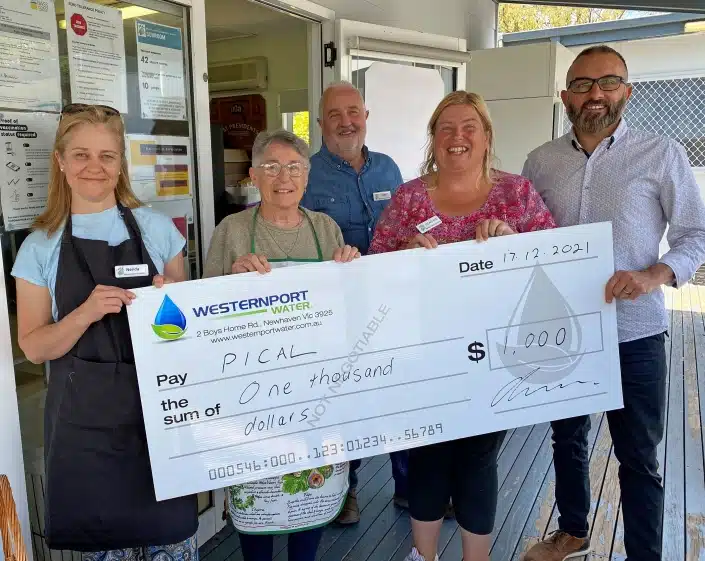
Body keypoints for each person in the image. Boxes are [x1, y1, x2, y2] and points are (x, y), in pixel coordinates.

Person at [521, 45, 705, 561]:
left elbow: (696, 234)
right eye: (582, 84)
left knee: (639, 455)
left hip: (636, 332)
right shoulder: (540, 161)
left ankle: (644, 553)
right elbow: (525, 237)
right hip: (564, 331)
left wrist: (654, 275)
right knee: (567, 440)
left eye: (607, 82)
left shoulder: (662, 154)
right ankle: (573, 532)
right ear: (566, 96)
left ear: (627, 91)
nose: (595, 94)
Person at [368, 90, 557, 561]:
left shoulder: (516, 194)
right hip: (423, 354)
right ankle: (423, 557)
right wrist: (403, 256)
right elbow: (373, 267)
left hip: (495, 355)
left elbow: (553, 261)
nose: (458, 137)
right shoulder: (410, 198)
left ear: (487, 136)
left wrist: (512, 244)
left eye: (469, 127)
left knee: (478, 456)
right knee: (428, 454)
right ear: (433, 139)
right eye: (446, 128)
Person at [11, 104, 197, 560]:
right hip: (85, 427)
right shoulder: (40, 246)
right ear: (60, 161)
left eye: (106, 156)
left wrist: (173, 301)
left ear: (120, 163)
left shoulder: (157, 231)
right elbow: (34, 348)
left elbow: (189, 330)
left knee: (173, 544)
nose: (94, 167)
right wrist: (85, 313)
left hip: (159, 415)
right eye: (81, 155)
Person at [202, 129, 360, 561]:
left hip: (316, 390)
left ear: (307, 177)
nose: (283, 177)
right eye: (271, 167)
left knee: (312, 493)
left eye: (294, 167)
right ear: (254, 175)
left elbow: (347, 308)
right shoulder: (232, 230)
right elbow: (204, 314)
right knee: (258, 498)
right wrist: (231, 280)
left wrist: (352, 269)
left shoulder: (325, 228)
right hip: (253, 393)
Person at [301, 80, 410, 524]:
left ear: (366, 117)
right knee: (346, 400)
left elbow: (406, 227)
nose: (346, 122)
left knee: (397, 394)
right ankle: (346, 491)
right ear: (321, 123)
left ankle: (408, 487)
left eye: (353, 113)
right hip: (338, 313)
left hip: (390, 305)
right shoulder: (307, 175)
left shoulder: (388, 169)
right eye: (335, 115)